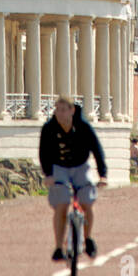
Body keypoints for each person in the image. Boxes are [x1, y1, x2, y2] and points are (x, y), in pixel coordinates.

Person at [39, 96, 108, 261]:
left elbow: (97, 150)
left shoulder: (84, 127)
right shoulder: (49, 128)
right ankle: (58, 247)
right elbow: (44, 153)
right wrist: (48, 175)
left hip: (80, 166)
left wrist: (102, 175)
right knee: (61, 205)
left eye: (64, 110)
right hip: (59, 168)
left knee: (86, 201)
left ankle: (88, 239)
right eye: (57, 110)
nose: (60, 114)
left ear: (72, 111)